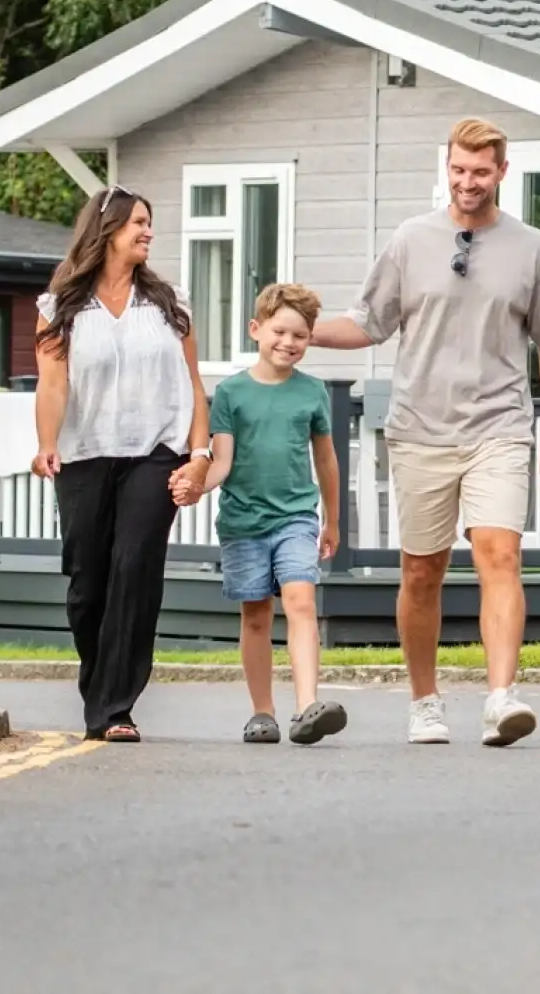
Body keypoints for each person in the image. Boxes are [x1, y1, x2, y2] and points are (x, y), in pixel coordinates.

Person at [309, 117, 540, 747]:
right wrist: (300, 330)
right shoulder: (411, 239)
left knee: (499, 556)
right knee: (421, 571)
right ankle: (425, 701)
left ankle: (501, 697)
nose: (467, 183)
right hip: (420, 428)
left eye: (480, 172)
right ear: (447, 167)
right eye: (458, 170)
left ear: (502, 172)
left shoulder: (531, 247)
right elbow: (369, 323)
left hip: (499, 425)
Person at [33, 187, 209, 743]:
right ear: (106, 230)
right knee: (89, 583)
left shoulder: (169, 303)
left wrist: (199, 455)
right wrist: (46, 442)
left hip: (155, 453)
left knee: (135, 568)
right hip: (84, 456)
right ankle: (101, 687)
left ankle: (116, 708)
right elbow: (53, 384)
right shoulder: (59, 307)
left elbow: (194, 385)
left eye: (149, 223)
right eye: (138, 222)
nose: (147, 232)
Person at [172, 283, 347, 746]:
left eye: (301, 336)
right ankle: (262, 712)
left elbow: (326, 461)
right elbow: (222, 462)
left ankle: (308, 706)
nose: (289, 343)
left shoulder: (312, 394)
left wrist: (332, 520)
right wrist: (196, 486)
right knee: (255, 616)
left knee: (301, 602)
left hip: (296, 517)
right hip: (244, 521)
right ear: (256, 329)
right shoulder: (231, 393)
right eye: (281, 332)